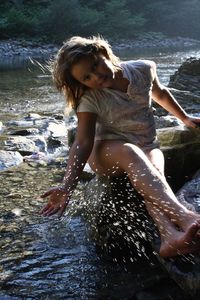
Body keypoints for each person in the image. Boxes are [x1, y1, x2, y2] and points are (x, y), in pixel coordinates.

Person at [40, 36, 200, 258]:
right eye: (87, 77)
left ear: (103, 53)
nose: (97, 76)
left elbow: (160, 93)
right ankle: (186, 217)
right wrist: (67, 185)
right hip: (106, 152)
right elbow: (83, 142)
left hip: (146, 143)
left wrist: (184, 118)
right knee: (130, 153)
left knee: (154, 178)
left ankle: (169, 237)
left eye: (96, 65)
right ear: (81, 83)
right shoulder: (89, 98)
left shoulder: (143, 69)